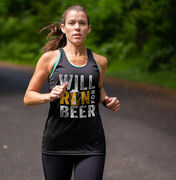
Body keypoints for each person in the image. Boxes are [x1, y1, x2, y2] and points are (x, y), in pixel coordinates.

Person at [24, 5, 120, 180]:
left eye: (82, 23)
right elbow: (29, 96)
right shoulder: (50, 59)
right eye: (72, 23)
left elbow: (97, 89)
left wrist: (107, 101)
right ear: (63, 28)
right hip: (57, 144)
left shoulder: (100, 61)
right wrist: (50, 96)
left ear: (88, 29)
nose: (77, 27)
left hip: (92, 145)